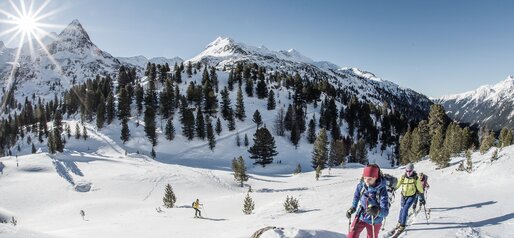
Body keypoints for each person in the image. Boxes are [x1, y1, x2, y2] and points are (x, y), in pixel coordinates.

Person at [346, 164, 389, 238]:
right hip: (361, 216)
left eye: (369, 179)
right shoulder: (361, 186)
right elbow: (356, 197)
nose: (366, 181)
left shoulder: (382, 190)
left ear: (375, 177)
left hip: (375, 220)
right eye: (365, 178)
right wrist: (353, 207)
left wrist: (377, 211)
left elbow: (385, 212)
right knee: (351, 236)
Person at [389, 163, 425, 236]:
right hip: (403, 196)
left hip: (412, 196)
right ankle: (399, 222)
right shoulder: (403, 177)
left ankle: (402, 225)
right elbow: (398, 184)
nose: (408, 172)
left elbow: (420, 189)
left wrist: (422, 197)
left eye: (410, 171)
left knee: (405, 209)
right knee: (402, 209)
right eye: (407, 171)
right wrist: (393, 189)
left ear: (412, 170)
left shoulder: (416, 178)